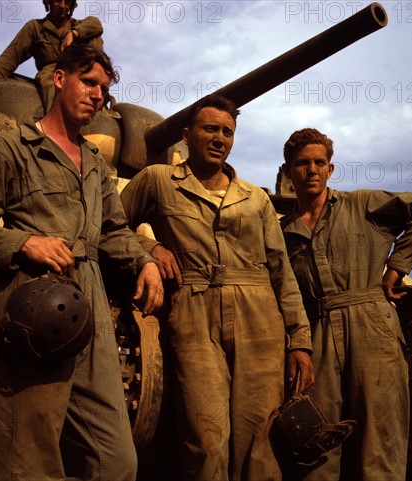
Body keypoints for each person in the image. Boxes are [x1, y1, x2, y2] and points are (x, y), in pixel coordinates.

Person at [0, 44, 163, 481]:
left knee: (116, 461)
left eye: (104, 87)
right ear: (59, 79)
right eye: (88, 81)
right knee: (26, 459)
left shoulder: (95, 165)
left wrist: (144, 261)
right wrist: (23, 243)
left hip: (91, 310)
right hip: (35, 304)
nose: (97, 94)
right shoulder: (14, 149)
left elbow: (114, 230)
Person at [119, 94, 314, 481]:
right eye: (210, 128)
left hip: (260, 320)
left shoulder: (255, 197)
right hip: (195, 315)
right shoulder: (159, 180)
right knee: (204, 441)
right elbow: (110, 224)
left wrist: (300, 340)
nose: (219, 138)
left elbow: (281, 271)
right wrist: (149, 247)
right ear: (186, 135)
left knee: (261, 446)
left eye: (227, 131)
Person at [279, 127, 412, 480]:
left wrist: (399, 265)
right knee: (317, 444)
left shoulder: (363, 204)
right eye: (302, 163)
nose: (311, 170)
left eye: (319, 163)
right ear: (288, 170)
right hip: (318, 333)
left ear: (330, 170)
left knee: (380, 443)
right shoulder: (282, 232)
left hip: (372, 326)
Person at [0, 0, 104, 111]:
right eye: (57, 0)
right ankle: (56, 125)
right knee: (50, 82)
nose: (62, 5)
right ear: (48, 2)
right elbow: (11, 55)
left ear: (71, 6)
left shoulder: (79, 25)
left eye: (67, 2)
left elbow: (96, 23)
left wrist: (74, 33)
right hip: (51, 71)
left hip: (80, 69)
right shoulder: (35, 27)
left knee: (94, 39)